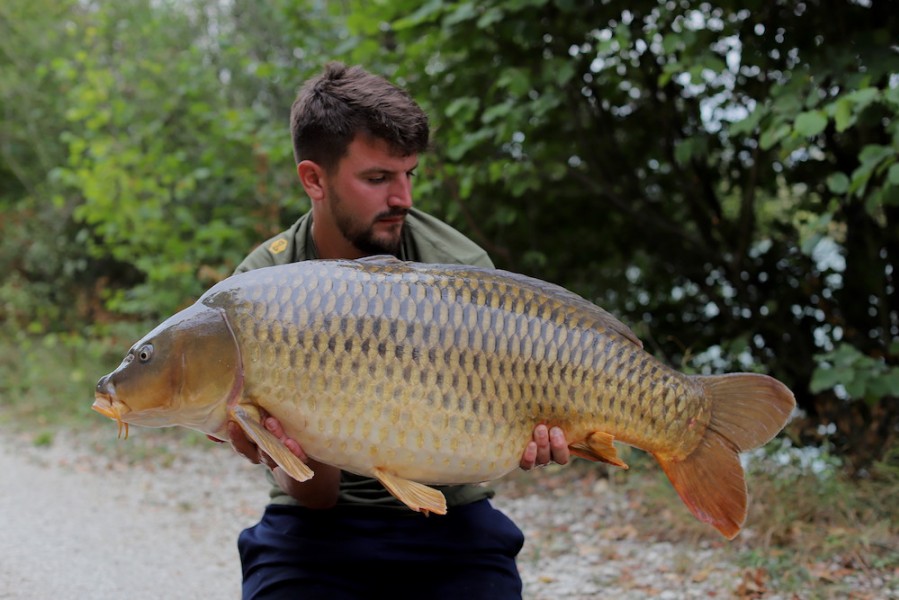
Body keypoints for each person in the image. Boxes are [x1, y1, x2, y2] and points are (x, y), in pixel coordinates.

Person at [226, 62, 570, 599]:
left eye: (410, 174)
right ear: (314, 179)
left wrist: (545, 434)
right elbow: (314, 496)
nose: (403, 198)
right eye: (378, 178)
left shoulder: (459, 268)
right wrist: (278, 445)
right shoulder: (258, 291)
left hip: (449, 520)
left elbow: (479, 462)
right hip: (315, 526)